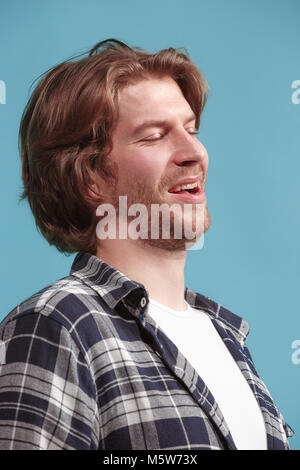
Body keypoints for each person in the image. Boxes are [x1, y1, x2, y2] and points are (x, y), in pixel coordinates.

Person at [0, 39, 294, 450]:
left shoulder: (227, 337)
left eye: (191, 130)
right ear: (91, 179)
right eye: (154, 136)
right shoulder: (58, 325)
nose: (194, 152)